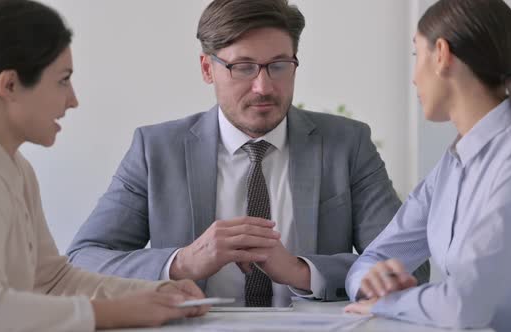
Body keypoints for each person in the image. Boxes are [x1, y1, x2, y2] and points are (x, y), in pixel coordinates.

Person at [67, 0, 429, 307]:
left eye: (279, 65)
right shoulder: (156, 150)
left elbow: (409, 265)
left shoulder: (346, 143)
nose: (263, 86)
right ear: (208, 69)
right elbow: (81, 262)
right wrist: (182, 263)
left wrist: (302, 271)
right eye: (242, 67)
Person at [0, 1, 208, 331]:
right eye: (63, 80)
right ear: (9, 85)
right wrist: (117, 313)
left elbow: (52, 280)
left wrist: (156, 293)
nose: (73, 99)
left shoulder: (14, 166)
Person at [344, 0, 511, 331]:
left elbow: (465, 304)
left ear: (441, 54)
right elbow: (371, 259)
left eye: (416, 56)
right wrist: (374, 282)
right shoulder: (450, 167)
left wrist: (390, 303)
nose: (413, 79)